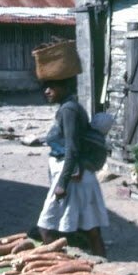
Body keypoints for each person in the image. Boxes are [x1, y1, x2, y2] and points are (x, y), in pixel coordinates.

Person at [36, 76, 109, 257]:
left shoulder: (68, 110)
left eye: (51, 86)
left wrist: (62, 183)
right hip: (83, 178)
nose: (47, 91)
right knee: (92, 229)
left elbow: (72, 149)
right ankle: (102, 263)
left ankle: (62, 267)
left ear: (64, 87)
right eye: (46, 87)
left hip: (73, 179)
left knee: (45, 227)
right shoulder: (71, 107)